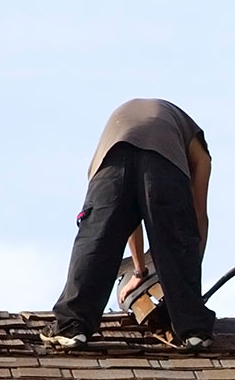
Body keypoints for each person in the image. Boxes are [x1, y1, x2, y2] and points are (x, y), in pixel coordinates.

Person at [40, 98, 215, 349]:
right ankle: (193, 330)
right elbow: (197, 219)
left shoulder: (136, 124)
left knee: (97, 240)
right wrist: (189, 271)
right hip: (160, 168)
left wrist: (139, 271)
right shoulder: (197, 149)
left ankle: (72, 328)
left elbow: (126, 218)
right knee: (178, 237)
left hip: (111, 161)